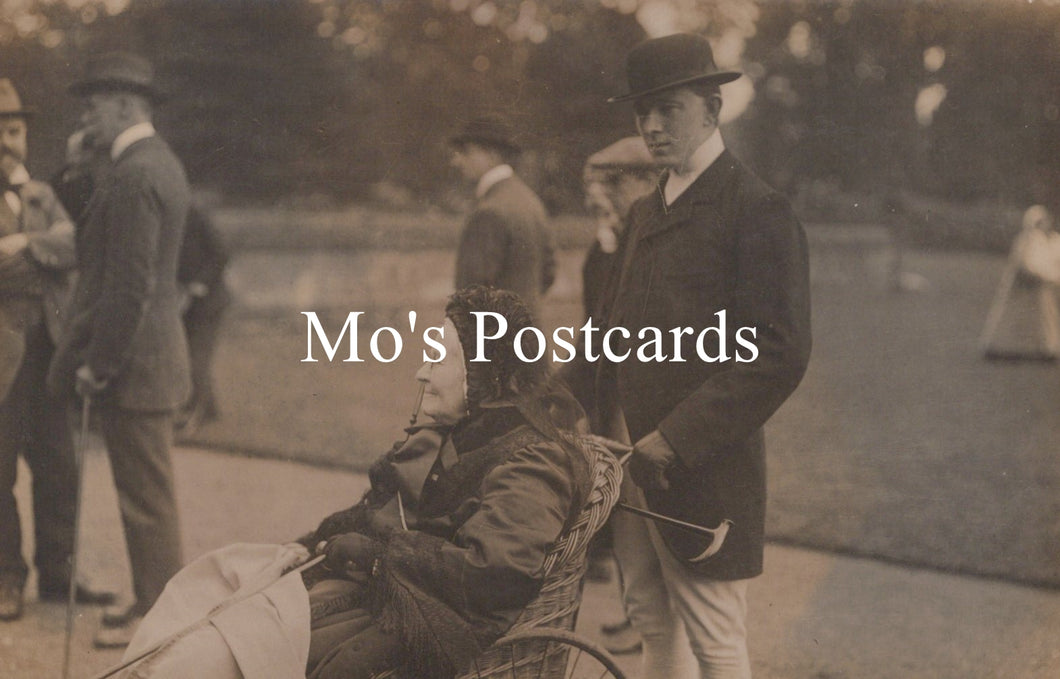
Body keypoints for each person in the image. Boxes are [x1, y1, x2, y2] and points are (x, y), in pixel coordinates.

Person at [113, 286, 593, 679]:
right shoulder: (460, 436)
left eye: (438, 360)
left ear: (485, 371)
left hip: (431, 622)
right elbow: (389, 511)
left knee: (238, 652)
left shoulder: (533, 460)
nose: (422, 373)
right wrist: (323, 539)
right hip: (392, 594)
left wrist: (378, 555)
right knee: (218, 608)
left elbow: (494, 572)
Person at [589, 34, 812, 678]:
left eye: (671, 109)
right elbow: (607, 334)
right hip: (627, 460)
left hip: (703, 471)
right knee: (653, 625)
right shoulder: (643, 213)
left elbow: (779, 351)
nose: (653, 127)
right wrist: (547, 403)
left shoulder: (756, 209)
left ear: (713, 109)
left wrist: (676, 439)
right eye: (643, 112)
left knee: (716, 640)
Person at [46, 52, 192, 648]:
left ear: (128, 105)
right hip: (151, 357)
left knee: (145, 497)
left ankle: (160, 616)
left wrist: (97, 365)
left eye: (95, 106)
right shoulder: (146, 163)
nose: (87, 118)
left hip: (136, 362)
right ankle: (152, 600)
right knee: (146, 492)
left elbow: (129, 287)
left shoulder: (136, 173)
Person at [0, 78, 113, 621]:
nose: (7, 141)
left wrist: (23, 245)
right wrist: (40, 261)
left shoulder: (43, 194)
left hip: (47, 352)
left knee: (59, 469)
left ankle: (58, 573)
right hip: (2, 359)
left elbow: (77, 246)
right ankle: (5, 578)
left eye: (14, 130)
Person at [449, 116, 555, 315]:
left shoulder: (489, 211)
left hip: (496, 341)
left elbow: (470, 296)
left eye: (465, 152)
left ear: (491, 154)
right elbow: (548, 274)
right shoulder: (530, 200)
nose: (456, 161)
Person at [175, 203, 232, 435]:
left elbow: (222, 254)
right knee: (187, 358)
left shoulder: (195, 215)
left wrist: (201, 283)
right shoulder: (166, 219)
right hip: (185, 303)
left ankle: (196, 415)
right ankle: (208, 409)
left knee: (197, 361)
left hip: (210, 302)